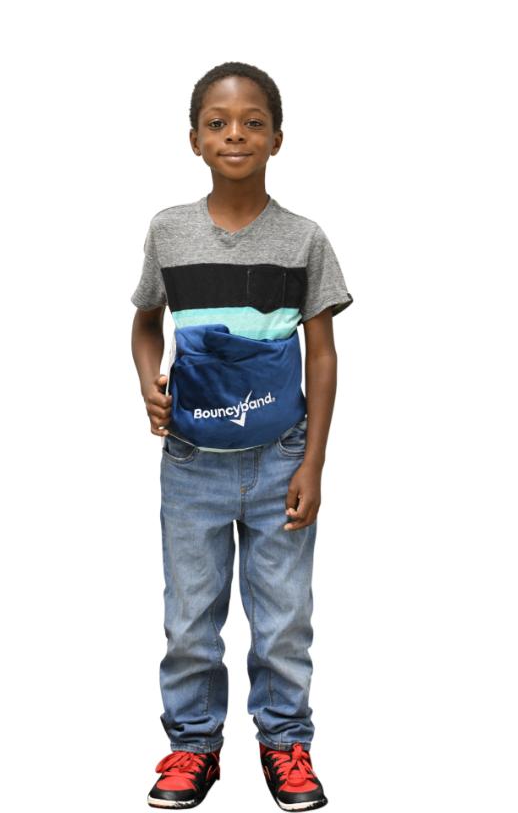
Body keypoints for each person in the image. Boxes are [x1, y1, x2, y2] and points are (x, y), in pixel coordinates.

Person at [130, 61, 354, 811]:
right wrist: (149, 382)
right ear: (194, 139)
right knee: (190, 618)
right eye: (218, 123)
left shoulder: (303, 239)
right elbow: (145, 322)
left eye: (253, 122)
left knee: (284, 618)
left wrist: (313, 462)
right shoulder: (169, 230)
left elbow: (322, 355)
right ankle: (193, 747)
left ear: (277, 138)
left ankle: (286, 742)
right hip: (191, 463)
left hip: (281, 458)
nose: (235, 134)